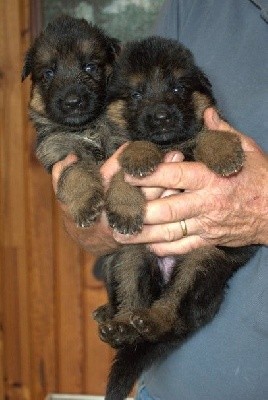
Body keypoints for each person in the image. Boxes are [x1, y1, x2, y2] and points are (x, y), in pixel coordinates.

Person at [52, 0, 268, 399]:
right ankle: (127, 315)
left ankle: (164, 315)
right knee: (132, 256)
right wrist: (93, 216)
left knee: (206, 261)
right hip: (163, 389)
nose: (160, 109)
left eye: (176, 89)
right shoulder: (191, 6)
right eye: (135, 97)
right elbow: (91, 229)